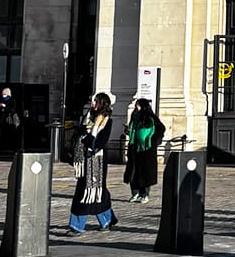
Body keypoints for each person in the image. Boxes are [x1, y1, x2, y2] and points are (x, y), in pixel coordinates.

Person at [67, 92, 118, 236]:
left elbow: (100, 142)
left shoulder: (106, 121)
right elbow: (79, 132)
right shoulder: (88, 117)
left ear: (102, 103)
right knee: (95, 193)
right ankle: (107, 220)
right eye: (93, 101)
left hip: (96, 162)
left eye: (96, 101)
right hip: (84, 160)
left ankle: (77, 226)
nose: (93, 103)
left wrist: (87, 139)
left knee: (88, 192)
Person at [124, 98, 165, 203]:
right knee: (133, 171)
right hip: (134, 147)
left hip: (146, 149)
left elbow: (160, 129)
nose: (136, 107)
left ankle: (144, 194)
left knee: (144, 172)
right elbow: (132, 130)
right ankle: (135, 193)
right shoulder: (134, 116)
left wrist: (153, 141)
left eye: (138, 105)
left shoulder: (150, 117)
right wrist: (128, 130)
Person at [0, 87, 21, 156]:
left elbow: (13, 110)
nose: (3, 96)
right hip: (1, 122)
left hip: (9, 122)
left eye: (4, 94)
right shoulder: (1, 100)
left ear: (8, 94)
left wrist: (5, 107)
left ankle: (14, 151)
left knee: (12, 136)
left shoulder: (12, 100)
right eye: (2, 94)